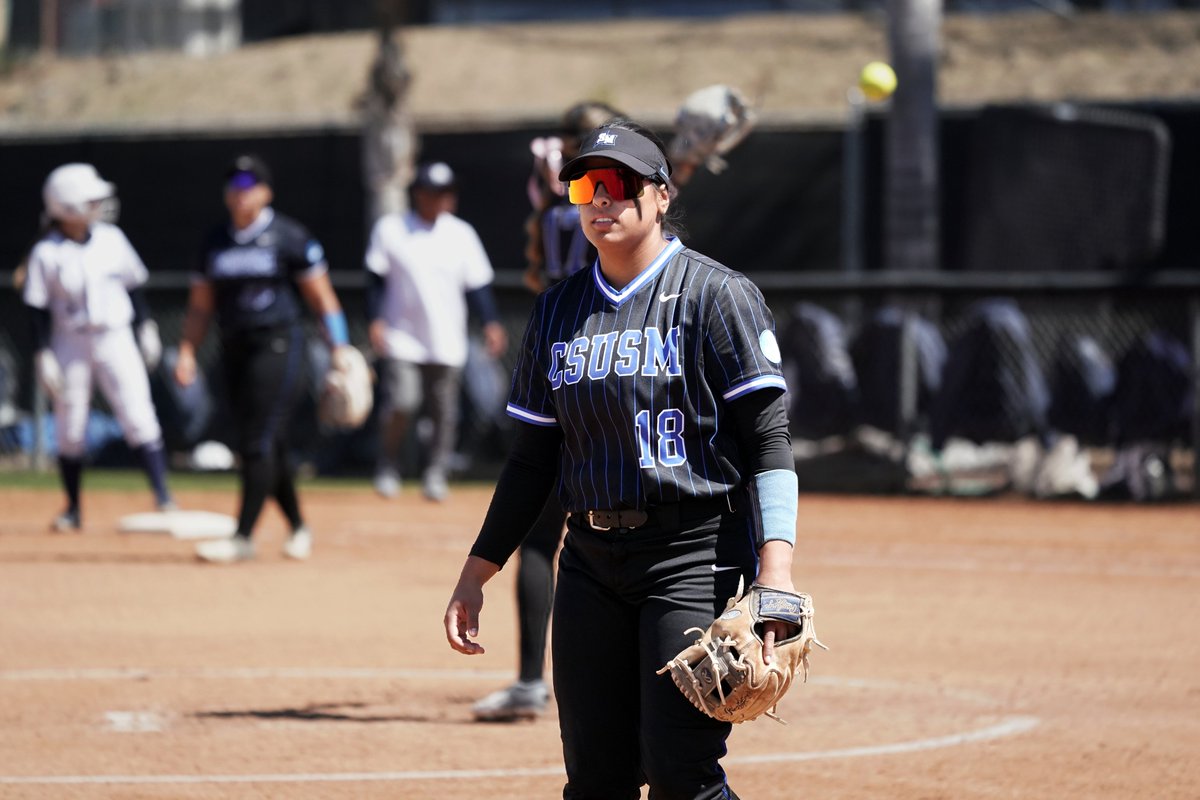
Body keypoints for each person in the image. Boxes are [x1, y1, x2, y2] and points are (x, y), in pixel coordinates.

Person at [445, 120, 799, 799]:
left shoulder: (715, 295)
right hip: (589, 564)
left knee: (678, 772)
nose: (599, 199)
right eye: (584, 185)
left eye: (618, 184)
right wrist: (475, 574)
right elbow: (531, 461)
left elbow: (768, 440)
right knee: (595, 778)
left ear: (662, 196)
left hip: (693, 554)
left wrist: (774, 573)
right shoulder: (558, 311)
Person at [471, 100, 622, 722]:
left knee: (541, 536)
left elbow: (539, 266)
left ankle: (534, 680)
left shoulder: (558, 202)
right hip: (620, 360)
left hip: (563, 357)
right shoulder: (609, 202)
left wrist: (548, 189)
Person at [174, 154, 351, 563]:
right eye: (234, 185)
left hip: (279, 345)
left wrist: (339, 348)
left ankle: (243, 537)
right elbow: (200, 306)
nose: (240, 193)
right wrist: (186, 350)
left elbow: (322, 299)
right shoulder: (215, 241)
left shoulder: (288, 236)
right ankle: (299, 526)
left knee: (258, 440)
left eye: (249, 185)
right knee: (270, 444)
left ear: (266, 191)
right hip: (233, 347)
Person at [21, 162, 176, 531]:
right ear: (67, 205)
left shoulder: (111, 239)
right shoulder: (47, 252)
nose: (99, 205)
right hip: (69, 341)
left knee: (138, 414)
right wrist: (43, 354)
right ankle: (73, 508)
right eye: (91, 199)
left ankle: (164, 495)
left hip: (114, 335)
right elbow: (36, 309)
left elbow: (134, 286)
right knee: (70, 426)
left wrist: (146, 327)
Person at [366, 161, 507, 502]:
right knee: (402, 402)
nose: (443, 199)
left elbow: (478, 287)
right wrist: (375, 319)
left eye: (448, 192)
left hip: (447, 338)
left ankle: (436, 473)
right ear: (418, 194)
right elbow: (376, 279)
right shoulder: (391, 228)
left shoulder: (461, 233)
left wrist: (490, 322)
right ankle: (388, 466)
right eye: (435, 192)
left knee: (444, 413)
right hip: (403, 335)